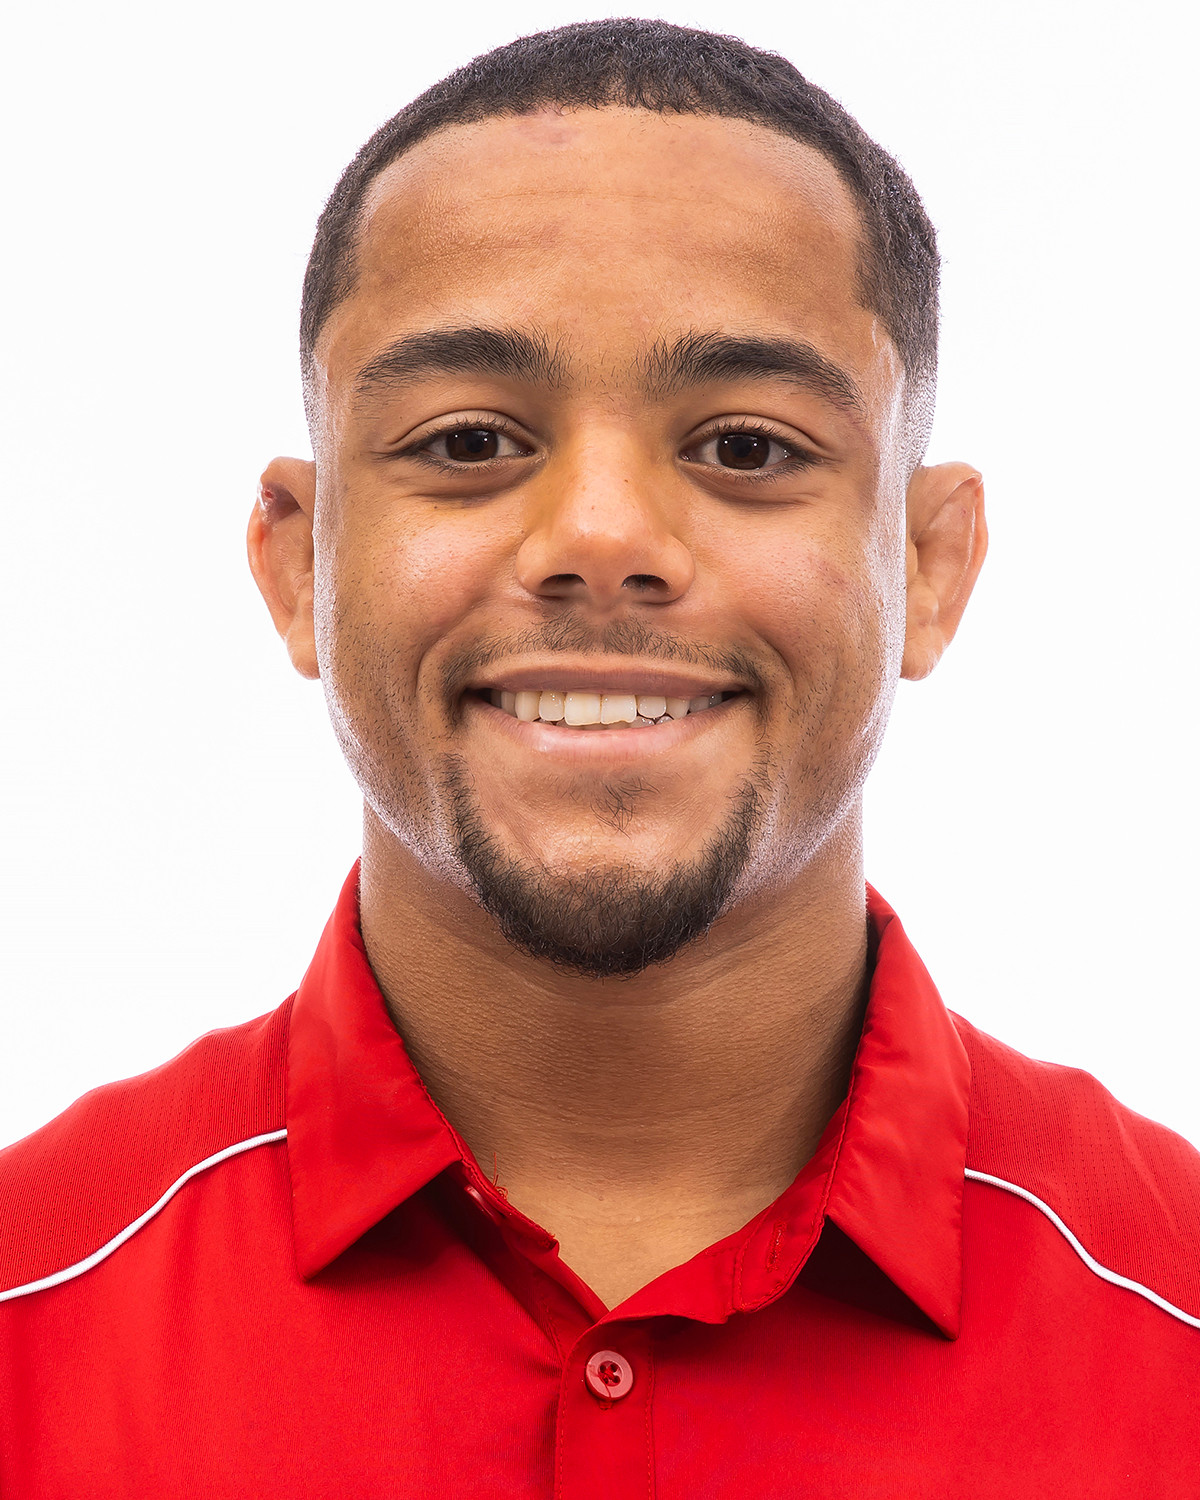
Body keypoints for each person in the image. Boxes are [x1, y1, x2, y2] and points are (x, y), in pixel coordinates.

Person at [1, 17, 1196, 1494]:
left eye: (746, 447)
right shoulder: (27, 1315)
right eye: (469, 442)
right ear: (297, 565)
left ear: (932, 564)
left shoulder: (1176, 1318)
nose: (603, 538)